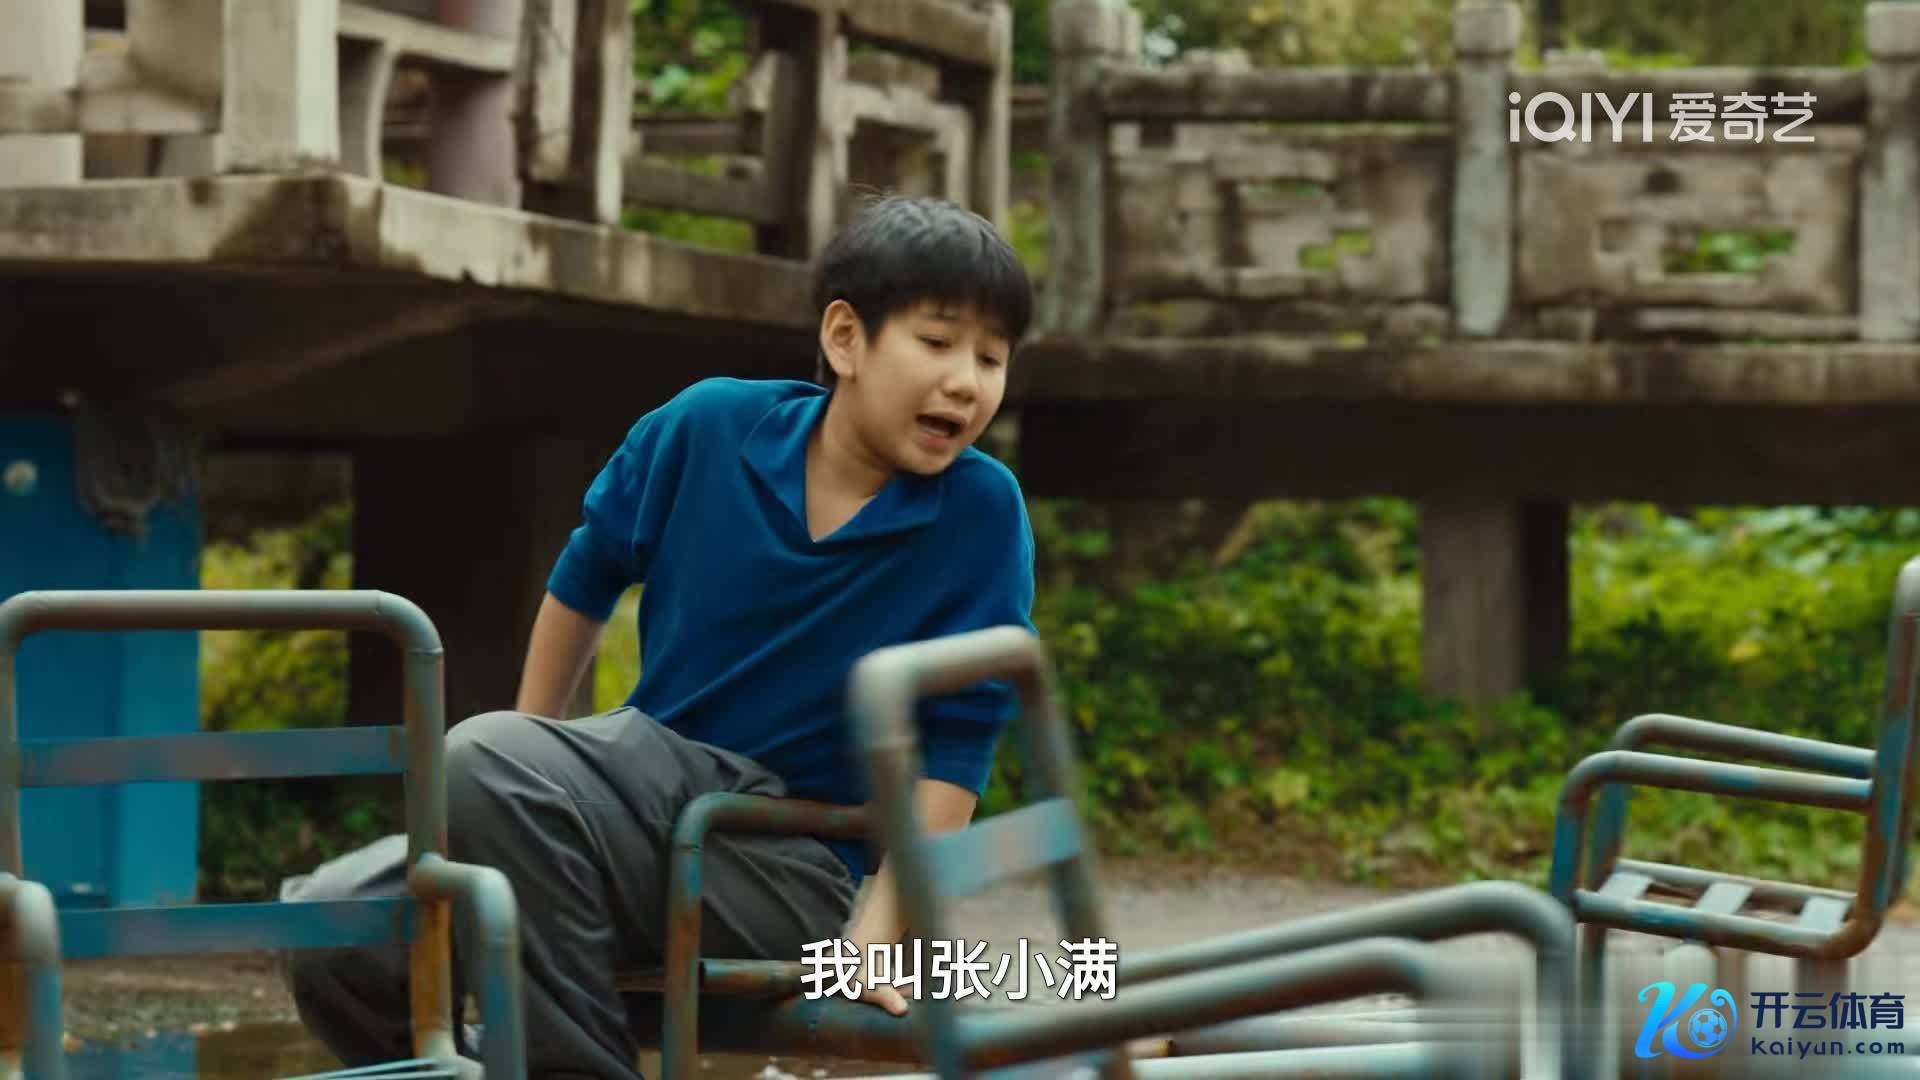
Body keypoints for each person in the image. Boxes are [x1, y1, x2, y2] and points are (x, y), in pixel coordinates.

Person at [280, 192, 1038, 1079]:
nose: (967, 382)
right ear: (845, 339)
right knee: (335, 928)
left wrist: (873, 941)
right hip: (633, 808)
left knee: (484, 763)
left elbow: (957, 749)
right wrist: (518, 781)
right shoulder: (708, 426)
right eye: (939, 343)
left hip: (786, 866)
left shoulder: (980, 513)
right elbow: (586, 578)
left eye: (992, 358)